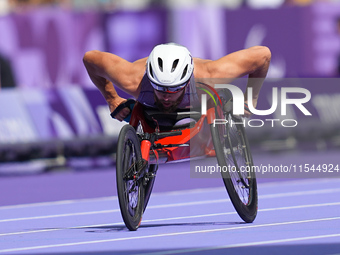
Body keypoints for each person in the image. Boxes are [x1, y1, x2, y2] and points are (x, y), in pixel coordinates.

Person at [83, 43, 271, 121]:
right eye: (160, 89)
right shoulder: (133, 80)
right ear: (150, 79)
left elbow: (263, 55)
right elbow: (90, 59)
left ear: (187, 81)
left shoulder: (209, 77)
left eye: (174, 90)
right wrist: (112, 99)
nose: (166, 97)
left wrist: (250, 99)